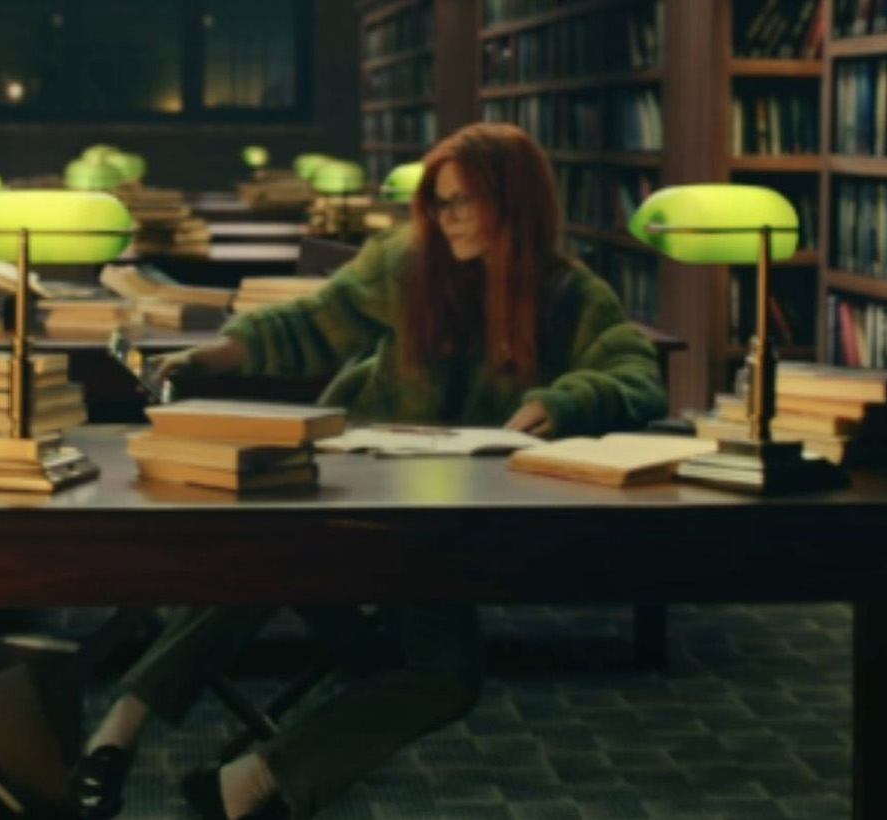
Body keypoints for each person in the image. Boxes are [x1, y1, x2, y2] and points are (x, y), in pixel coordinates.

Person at [68, 122, 670, 820]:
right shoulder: (413, 261)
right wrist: (209, 358)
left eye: (465, 202)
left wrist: (565, 399)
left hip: (446, 522)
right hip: (353, 477)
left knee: (446, 677)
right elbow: (312, 322)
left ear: (517, 202)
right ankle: (115, 737)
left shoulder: (568, 296)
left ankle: (254, 780)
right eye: (440, 204)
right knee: (264, 558)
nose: (449, 220)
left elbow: (636, 375)